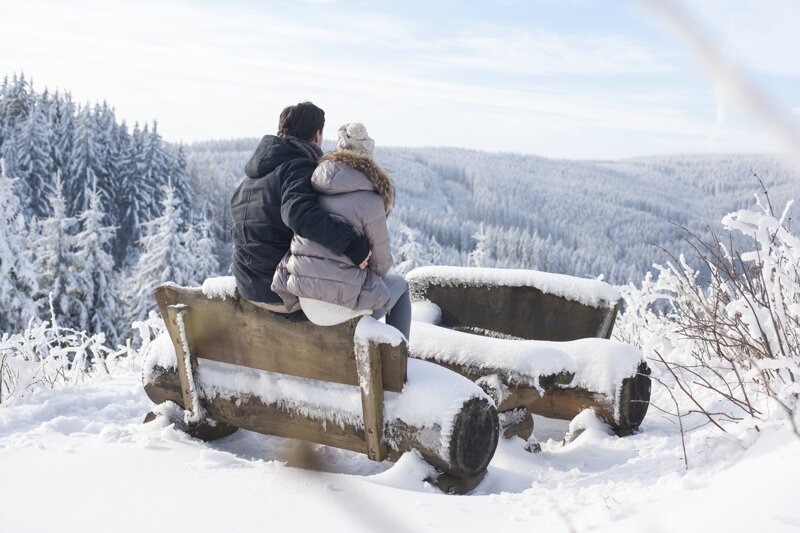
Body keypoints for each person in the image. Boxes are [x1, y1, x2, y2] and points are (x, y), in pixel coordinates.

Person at [271, 123, 411, 339]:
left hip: (307, 302)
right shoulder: (371, 201)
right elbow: (381, 265)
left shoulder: (311, 187)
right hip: (344, 311)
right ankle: (400, 361)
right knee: (401, 287)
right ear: (368, 158)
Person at [230, 102, 371, 315]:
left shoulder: (249, 181)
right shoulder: (297, 166)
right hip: (281, 293)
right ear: (317, 135)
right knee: (370, 290)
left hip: (248, 288)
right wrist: (352, 244)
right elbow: (299, 214)